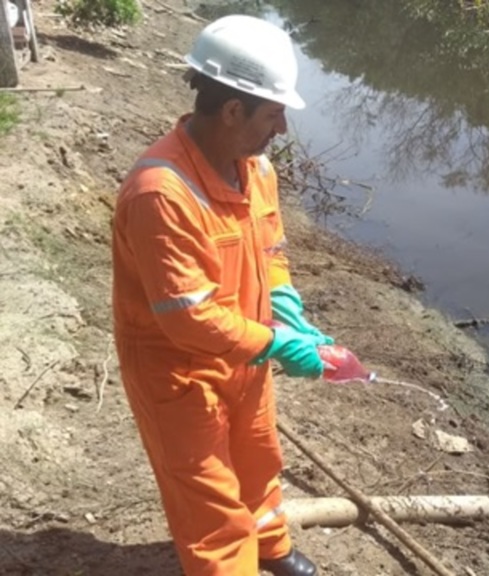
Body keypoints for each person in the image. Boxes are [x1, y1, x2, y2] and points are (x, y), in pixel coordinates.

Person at [112, 14, 332, 576]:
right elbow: (188, 322)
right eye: (273, 114)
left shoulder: (255, 171)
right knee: (207, 497)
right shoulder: (160, 193)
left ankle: (270, 548)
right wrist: (278, 343)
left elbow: (271, 252)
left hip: (245, 354)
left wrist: (285, 305)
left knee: (260, 462)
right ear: (233, 110)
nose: (281, 129)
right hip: (180, 373)